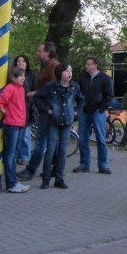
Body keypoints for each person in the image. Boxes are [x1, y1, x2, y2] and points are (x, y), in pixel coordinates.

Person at [33, 62, 84, 190]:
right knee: (50, 149)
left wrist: (76, 112)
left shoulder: (74, 86)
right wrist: (46, 110)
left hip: (67, 122)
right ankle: (46, 179)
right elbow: (37, 97)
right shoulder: (51, 86)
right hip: (53, 121)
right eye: (66, 71)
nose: (69, 73)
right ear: (60, 73)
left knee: (62, 151)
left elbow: (81, 100)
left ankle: (59, 179)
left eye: (70, 71)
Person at [17, 42, 60, 181]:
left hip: (48, 109)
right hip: (46, 108)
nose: (37, 53)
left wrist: (36, 93)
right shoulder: (48, 66)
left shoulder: (53, 66)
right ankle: (57, 168)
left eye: (40, 51)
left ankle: (31, 170)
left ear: (48, 52)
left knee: (41, 141)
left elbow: (55, 88)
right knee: (51, 141)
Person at [74, 56, 114, 175]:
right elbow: (78, 93)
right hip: (84, 111)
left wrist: (101, 108)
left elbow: (109, 95)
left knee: (101, 139)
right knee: (82, 138)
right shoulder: (83, 78)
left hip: (97, 112)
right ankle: (84, 164)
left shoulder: (105, 78)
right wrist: (79, 107)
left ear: (95, 65)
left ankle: (103, 165)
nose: (86, 66)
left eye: (88, 64)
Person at [0, 68, 30, 193]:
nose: (23, 78)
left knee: (15, 154)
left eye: (23, 75)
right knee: (10, 154)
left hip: (19, 124)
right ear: (13, 77)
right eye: (20, 76)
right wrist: (8, 114)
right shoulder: (10, 88)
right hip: (12, 125)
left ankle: (13, 181)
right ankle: (11, 183)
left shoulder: (21, 89)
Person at [12, 55, 37, 166]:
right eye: (19, 61)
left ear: (27, 63)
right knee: (15, 135)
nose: (21, 62)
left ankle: (25, 157)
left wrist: (32, 95)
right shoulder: (11, 75)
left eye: (23, 61)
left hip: (27, 107)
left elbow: (36, 89)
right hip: (15, 107)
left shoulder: (32, 75)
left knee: (25, 134)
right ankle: (15, 155)